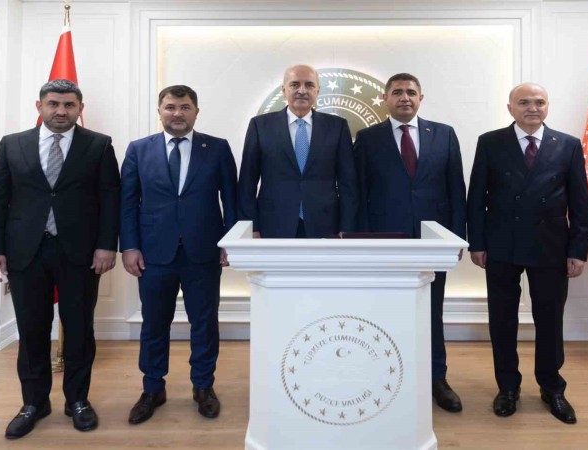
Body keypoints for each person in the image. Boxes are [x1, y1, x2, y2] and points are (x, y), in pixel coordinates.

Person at [0, 79, 120, 438]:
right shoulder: (12, 144)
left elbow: (110, 198)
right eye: (54, 104)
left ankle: (78, 401)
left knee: (79, 329)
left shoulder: (99, 145)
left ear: (79, 109)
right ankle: (34, 403)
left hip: (80, 253)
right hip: (26, 252)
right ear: (39, 106)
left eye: (69, 105)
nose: (61, 111)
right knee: (31, 330)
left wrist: (107, 245)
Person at [466, 82, 588, 424]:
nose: (532, 108)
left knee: (550, 319)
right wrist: (477, 243)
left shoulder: (567, 144)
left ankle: (552, 388)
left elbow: (581, 202)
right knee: (502, 320)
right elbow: (476, 197)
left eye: (539, 102)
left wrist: (578, 249)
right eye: (524, 102)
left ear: (548, 107)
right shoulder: (490, 142)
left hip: (552, 245)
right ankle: (508, 387)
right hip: (501, 244)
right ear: (510, 108)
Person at [120, 85, 237, 424]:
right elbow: (127, 202)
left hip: (204, 251)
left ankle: (203, 386)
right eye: (170, 107)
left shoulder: (217, 148)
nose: (177, 113)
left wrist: (231, 241)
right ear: (159, 111)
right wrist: (129, 246)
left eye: (185, 107)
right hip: (153, 253)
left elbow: (231, 199)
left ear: (196, 112)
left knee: (204, 323)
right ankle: (152, 388)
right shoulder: (139, 149)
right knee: (154, 323)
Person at [354, 73, 466, 413]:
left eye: (411, 92)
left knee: (432, 310)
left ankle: (437, 378)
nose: (405, 97)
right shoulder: (367, 138)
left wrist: (456, 238)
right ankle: (384, 376)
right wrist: (362, 240)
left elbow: (456, 188)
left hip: (433, 241)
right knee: (383, 310)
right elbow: (358, 193)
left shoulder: (444, 134)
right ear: (385, 99)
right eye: (398, 92)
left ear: (421, 98)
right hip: (384, 240)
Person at [237, 64, 358, 238]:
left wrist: (346, 228)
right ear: (284, 90)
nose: (302, 90)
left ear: (318, 91)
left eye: (309, 85)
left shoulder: (337, 126)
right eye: (295, 84)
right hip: (273, 223)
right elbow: (247, 182)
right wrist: (252, 227)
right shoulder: (260, 125)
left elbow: (348, 183)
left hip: (325, 224)